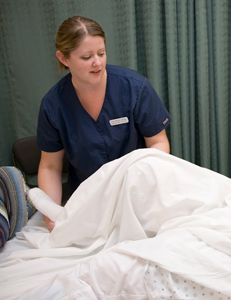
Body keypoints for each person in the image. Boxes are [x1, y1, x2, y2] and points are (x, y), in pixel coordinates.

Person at [37, 16, 171, 231]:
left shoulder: (134, 88)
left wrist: (139, 183)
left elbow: (159, 143)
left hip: (138, 195)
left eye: (101, 53)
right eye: (86, 57)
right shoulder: (54, 105)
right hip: (88, 202)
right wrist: (51, 215)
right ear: (63, 58)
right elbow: (50, 166)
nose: (97, 62)